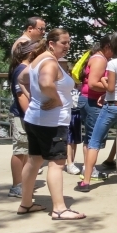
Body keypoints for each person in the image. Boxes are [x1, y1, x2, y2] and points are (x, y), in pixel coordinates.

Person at [18, 28, 84, 219]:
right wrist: (57, 100)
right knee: (57, 163)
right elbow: (46, 83)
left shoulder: (39, 59)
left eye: (68, 42)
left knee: (34, 160)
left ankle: (26, 203)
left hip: (35, 119)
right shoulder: (49, 62)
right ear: (51, 43)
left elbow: (22, 78)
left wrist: (33, 98)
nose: (67, 46)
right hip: (51, 123)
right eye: (64, 42)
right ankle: (59, 208)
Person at [77, 32, 117, 192]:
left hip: (111, 105)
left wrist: (103, 81)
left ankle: (86, 181)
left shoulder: (112, 63)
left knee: (94, 142)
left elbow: (111, 88)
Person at [71, 35, 111, 175]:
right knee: (94, 137)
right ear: (106, 47)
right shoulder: (100, 60)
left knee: (90, 137)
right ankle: (90, 170)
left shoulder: (95, 57)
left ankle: (88, 168)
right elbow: (93, 84)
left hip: (87, 100)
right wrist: (111, 88)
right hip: (92, 101)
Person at [7, 41, 36, 198]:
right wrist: (29, 116)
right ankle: (16, 185)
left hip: (25, 115)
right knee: (20, 150)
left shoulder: (25, 68)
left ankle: (23, 183)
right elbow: (21, 96)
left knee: (25, 151)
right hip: (21, 116)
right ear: (31, 54)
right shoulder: (22, 70)